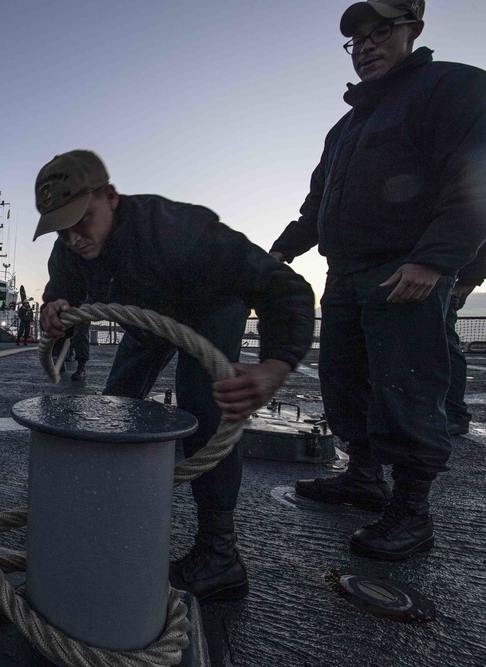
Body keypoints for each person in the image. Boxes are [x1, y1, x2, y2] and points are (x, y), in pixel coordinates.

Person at [36, 150, 314, 601]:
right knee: (115, 403)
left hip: (211, 310)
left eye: (81, 220)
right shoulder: (71, 243)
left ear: (110, 197)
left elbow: (285, 288)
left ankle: (220, 556)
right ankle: (112, 512)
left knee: (207, 412)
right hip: (148, 317)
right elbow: (64, 286)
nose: (73, 237)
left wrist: (275, 366)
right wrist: (56, 306)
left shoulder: (180, 231)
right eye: (60, 227)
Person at [269, 0, 486, 561]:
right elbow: (318, 205)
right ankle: (364, 478)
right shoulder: (346, 125)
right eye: (356, 39)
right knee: (345, 384)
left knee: (407, 389)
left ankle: (412, 512)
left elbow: (478, 178)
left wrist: (435, 260)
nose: (365, 46)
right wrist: (278, 255)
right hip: (343, 276)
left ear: (413, 29)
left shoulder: (454, 88)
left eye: (380, 31)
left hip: (405, 272)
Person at [446, 243, 486, 436]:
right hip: (368, 278)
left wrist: (468, 281)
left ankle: (453, 415)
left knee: (443, 346)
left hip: (431, 283)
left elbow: (480, 227)